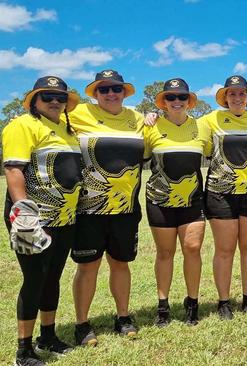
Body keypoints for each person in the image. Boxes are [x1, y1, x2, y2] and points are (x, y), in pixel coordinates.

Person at [3, 76, 82, 366]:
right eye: (47, 96)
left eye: (60, 97)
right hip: (33, 218)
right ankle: (23, 351)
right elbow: (13, 169)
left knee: (53, 278)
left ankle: (47, 336)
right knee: (35, 278)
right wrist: (24, 213)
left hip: (64, 217)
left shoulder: (66, 129)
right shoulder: (22, 125)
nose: (54, 101)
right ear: (34, 100)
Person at [68, 70, 145, 346]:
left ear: (125, 92)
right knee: (88, 266)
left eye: (116, 89)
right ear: (95, 93)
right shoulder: (77, 115)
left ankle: (123, 318)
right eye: (104, 90)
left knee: (121, 264)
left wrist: (153, 118)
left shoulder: (137, 119)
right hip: (89, 209)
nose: (111, 94)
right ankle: (82, 323)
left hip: (126, 209)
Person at [144, 78, 212, 326]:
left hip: (192, 201)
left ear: (189, 101)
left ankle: (192, 303)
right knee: (165, 252)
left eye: (181, 97)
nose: (176, 102)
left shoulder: (202, 127)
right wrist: (146, 118)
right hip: (159, 201)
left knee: (192, 249)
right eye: (170, 98)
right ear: (163, 102)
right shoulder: (150, 127)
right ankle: (163, 306)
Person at [200, 75, 247, 319]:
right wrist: (153, 117)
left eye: (241, 93)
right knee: (224, 250)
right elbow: (184, 130)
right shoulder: (210, 120)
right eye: (232, 93)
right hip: (221, 193)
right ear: (225, 97)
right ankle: (223, 302)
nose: (237, 98)